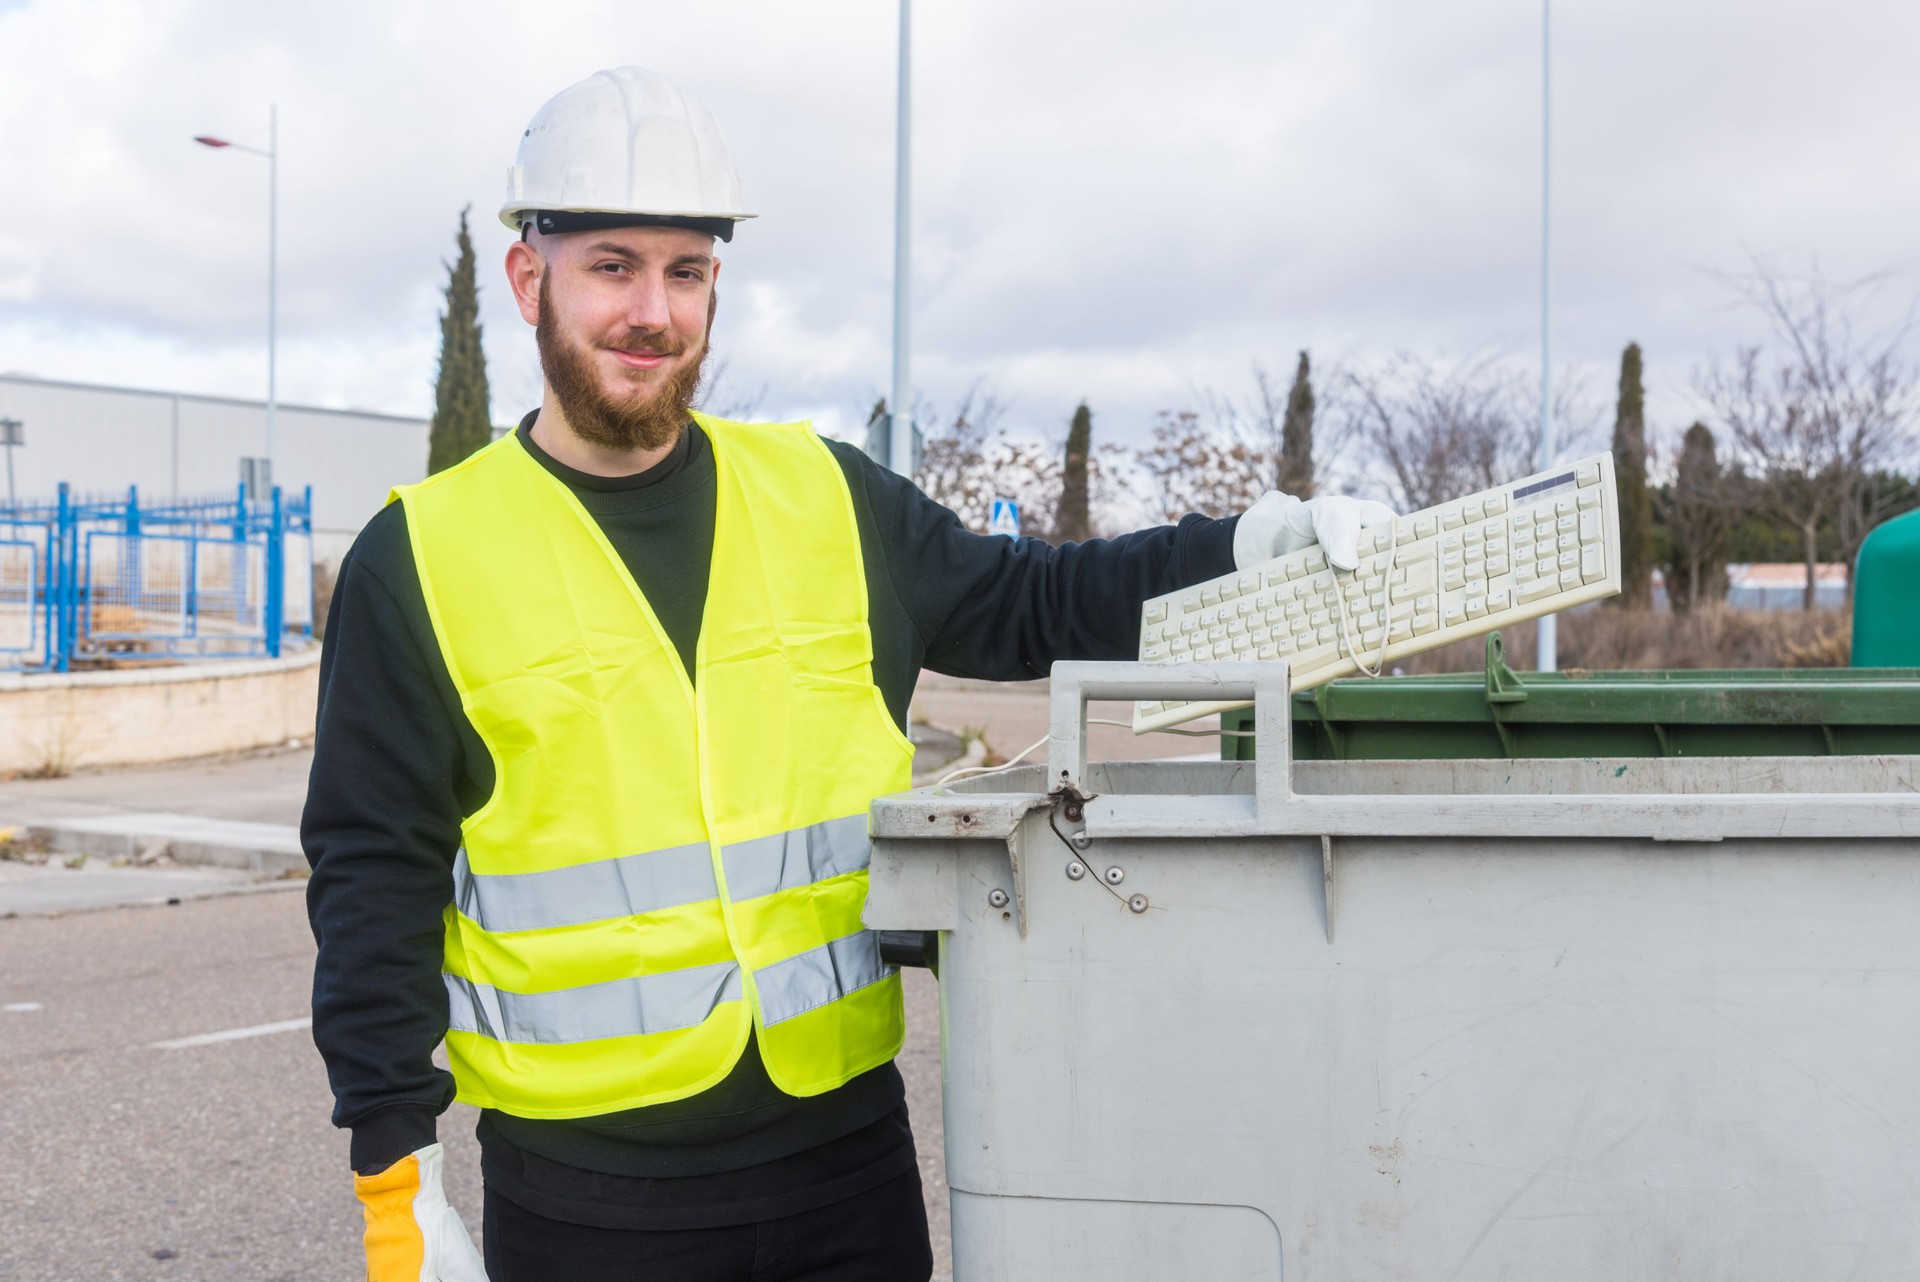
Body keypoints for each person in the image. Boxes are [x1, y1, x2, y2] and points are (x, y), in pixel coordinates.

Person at [303, 65, 1391, 1282]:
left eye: (686, 269)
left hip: (843, 1168)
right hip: (588, 1199)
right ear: (529, 278)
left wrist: (1241, 548)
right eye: (611, 264)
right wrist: (399, 1183)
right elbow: (371, 873)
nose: (650, 309)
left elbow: (1037, 598)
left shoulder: (824, 494)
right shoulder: (424, 555)